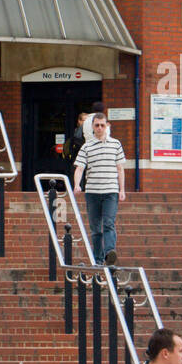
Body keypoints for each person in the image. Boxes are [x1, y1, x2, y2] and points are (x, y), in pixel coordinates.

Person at [73, 112, 126, 265]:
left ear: (107, 126)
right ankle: (98, 259)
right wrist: (77, 185)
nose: (100, 128)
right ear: (92, 127)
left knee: (109, 223)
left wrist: (122, 190)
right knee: (96, 228)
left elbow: (120, 168)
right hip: (92, 192)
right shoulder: (86, 147)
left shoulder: (116, 144)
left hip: (111, 191)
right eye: (97, 125)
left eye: (102, 125)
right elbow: (79, 168)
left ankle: (110, 253)